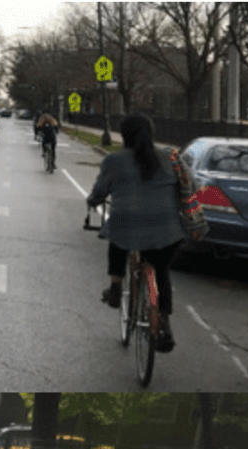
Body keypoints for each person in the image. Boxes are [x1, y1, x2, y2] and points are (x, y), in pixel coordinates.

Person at [87, 113, 195, 353]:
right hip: (167, 231)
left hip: (127, 227)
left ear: (124, 135)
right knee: (160, 271)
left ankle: (115, 287)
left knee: (116, 235)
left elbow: (100, 191)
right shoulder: (171, 158)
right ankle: (164, 323)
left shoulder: (114, 161)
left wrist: (92, 201)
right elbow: (192, 184)